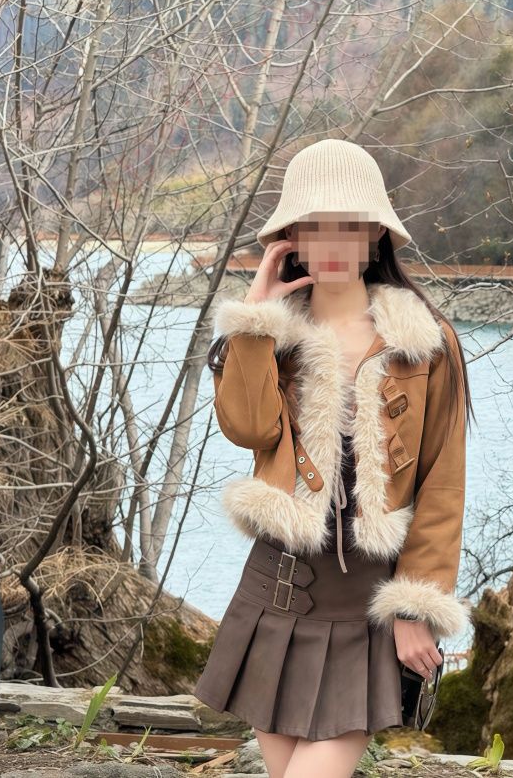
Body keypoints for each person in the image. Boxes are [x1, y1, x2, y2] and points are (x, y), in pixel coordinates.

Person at [194, 139, 474, 778]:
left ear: (376, 234)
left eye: (349, 225)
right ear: (291, 237)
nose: (333, 243)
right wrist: (255, 319)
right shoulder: (272, 337)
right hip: (277, 589)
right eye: (316, 226)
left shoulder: (425, 343)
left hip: (366, 598)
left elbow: (443, 484)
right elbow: (246, 428)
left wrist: (414, 607)